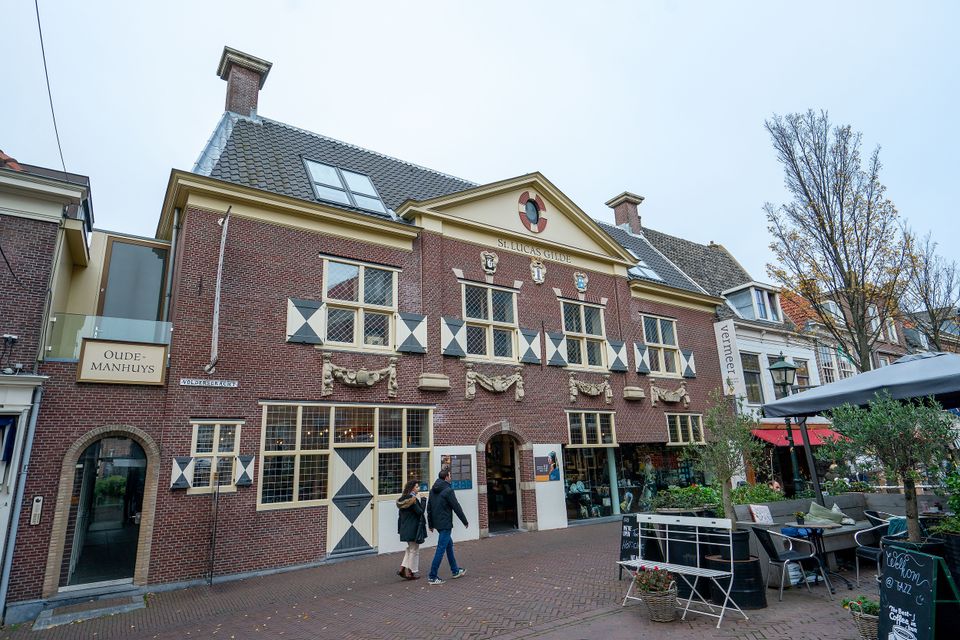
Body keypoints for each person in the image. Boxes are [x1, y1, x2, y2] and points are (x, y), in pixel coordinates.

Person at [426, 467, 468, 585]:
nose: (451, 478)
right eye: (450, 476)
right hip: (445, 524)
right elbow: (456, 506)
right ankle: (432, 576)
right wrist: (465, 521)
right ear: (446, 478)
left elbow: (429, 508)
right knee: (441, 549)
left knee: (448, 546)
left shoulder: (432, 490)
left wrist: (430, 524)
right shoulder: (448, 490)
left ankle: (455, 571)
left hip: (438, 524)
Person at [396, 479, 427, 580]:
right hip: (413, 528)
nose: (418, 489)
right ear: (412, 488)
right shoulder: (413, 500)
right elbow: (420, 512)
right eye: (417, 487)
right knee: (414, 550)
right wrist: (423, 500)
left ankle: (402, 569)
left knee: (410, 549)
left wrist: (400, 529)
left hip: (405, 528)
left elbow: (400, 516)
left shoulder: (402, 500)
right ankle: (410, 572)